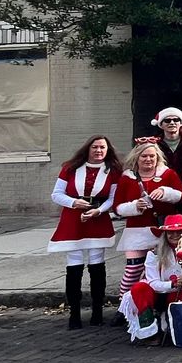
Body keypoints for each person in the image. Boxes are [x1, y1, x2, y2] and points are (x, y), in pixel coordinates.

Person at [49, 135, 123, 329]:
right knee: (74, 265)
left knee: (97, 265)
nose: (99, 151)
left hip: (97, 218)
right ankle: (74, 313)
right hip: (73, 219)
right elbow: (56, 194)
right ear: (87, 149)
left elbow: (113, 198)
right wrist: (73, 202)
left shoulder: (113, 170)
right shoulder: (70, 167)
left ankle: (97, 311)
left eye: (102, 148)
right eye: (95, 147)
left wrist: (99, 210)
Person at [115, 140, 182, 301]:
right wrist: (134, 206)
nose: (148, 160)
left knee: (160, 269)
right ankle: (124, 303)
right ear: (136, 158)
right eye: (144, 156)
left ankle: (156, 303)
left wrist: (166, 192)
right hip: (136, 230)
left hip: (162, 230)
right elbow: (117, 207)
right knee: (133, 270)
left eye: (152, 156)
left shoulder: (168, 174)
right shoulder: (127, 178)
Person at [118, 215, 182, 344]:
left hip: (176, 294)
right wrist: (171, 284)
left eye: (179, 232)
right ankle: (149, 331)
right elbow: (153, 283)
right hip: (156, 293)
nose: (175, 235)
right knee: (139, 288)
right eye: (170, 233)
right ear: (165, 234)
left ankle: (167, 324)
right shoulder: (154, 253)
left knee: (181, 297)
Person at [153, 107, 182, 222]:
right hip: (163, 196)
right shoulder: (155, 144)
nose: (172, 123)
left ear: (181, 123)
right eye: (167, 120)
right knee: (165, 232)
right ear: (161, 124)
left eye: (176, 120)